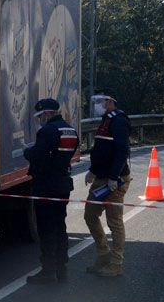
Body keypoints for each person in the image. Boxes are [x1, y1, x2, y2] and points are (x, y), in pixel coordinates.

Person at [23, 98, 79, 284]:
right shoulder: (70, 130)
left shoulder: (46, 131)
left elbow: (38, 157)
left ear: (47, 113)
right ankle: (62, 269)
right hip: (63, 184)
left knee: (46, 229)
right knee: (60, 227)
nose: (40, 119)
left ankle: (47, 271)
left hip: (46, 186)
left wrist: (27, 152)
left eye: (40, 116)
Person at [83, 91, 131, 277]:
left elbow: (121, 151)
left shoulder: (119, 120)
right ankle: (103, 253)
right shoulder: (106, 119)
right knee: (90, 215)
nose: (95, 105)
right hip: (100, 178)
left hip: (114, 181)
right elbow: (101, 149)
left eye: (99, 101)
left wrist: (113, 177)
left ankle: (116, 263)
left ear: (110, 101)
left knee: (114, 222)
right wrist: (93, 170)